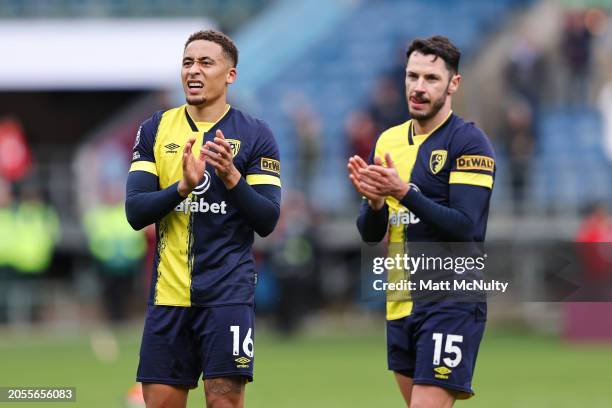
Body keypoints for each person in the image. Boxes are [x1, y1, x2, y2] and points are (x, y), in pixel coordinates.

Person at [125, 30, 281, 408]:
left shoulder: (256, 134)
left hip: (228, 296)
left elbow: (267, 219)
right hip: (168, 296)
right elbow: (135, 211)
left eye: (205, 63)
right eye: (187, 62)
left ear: (230, 75)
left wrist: (231, 177)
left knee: (224, 403)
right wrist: (181, 187)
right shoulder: (155, 129)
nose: (193, 71)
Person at [348, 36, 495, 407]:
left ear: (453, 84)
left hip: (451, 299)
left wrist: (404, 192)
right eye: (412, 76)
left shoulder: (469, 142)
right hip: (400, 301)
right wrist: (377, 203)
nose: (418, 87)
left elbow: (466, 227)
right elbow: (370, 233)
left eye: (431, 78)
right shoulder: (388, 141)